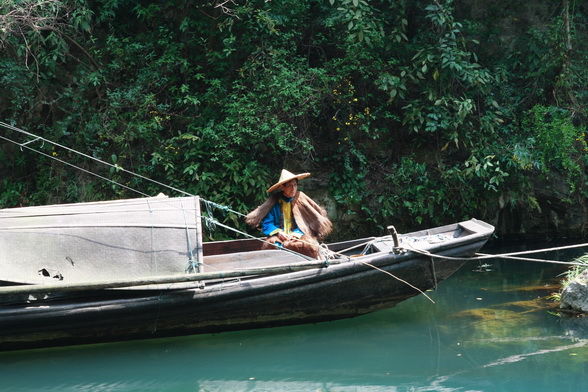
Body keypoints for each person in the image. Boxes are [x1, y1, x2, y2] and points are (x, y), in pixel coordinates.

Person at [245, 169, 332, 259]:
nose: (293, 188)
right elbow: (267, 224)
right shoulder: (274, 202)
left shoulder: (301, 199)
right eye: (290, 186)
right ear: (282, 187)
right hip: (280, 237)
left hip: (299, 235)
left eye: (295, 185)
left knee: (309, 246)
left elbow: (306, 222)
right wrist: (279, 232)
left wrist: (296, 234)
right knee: (271, 245)